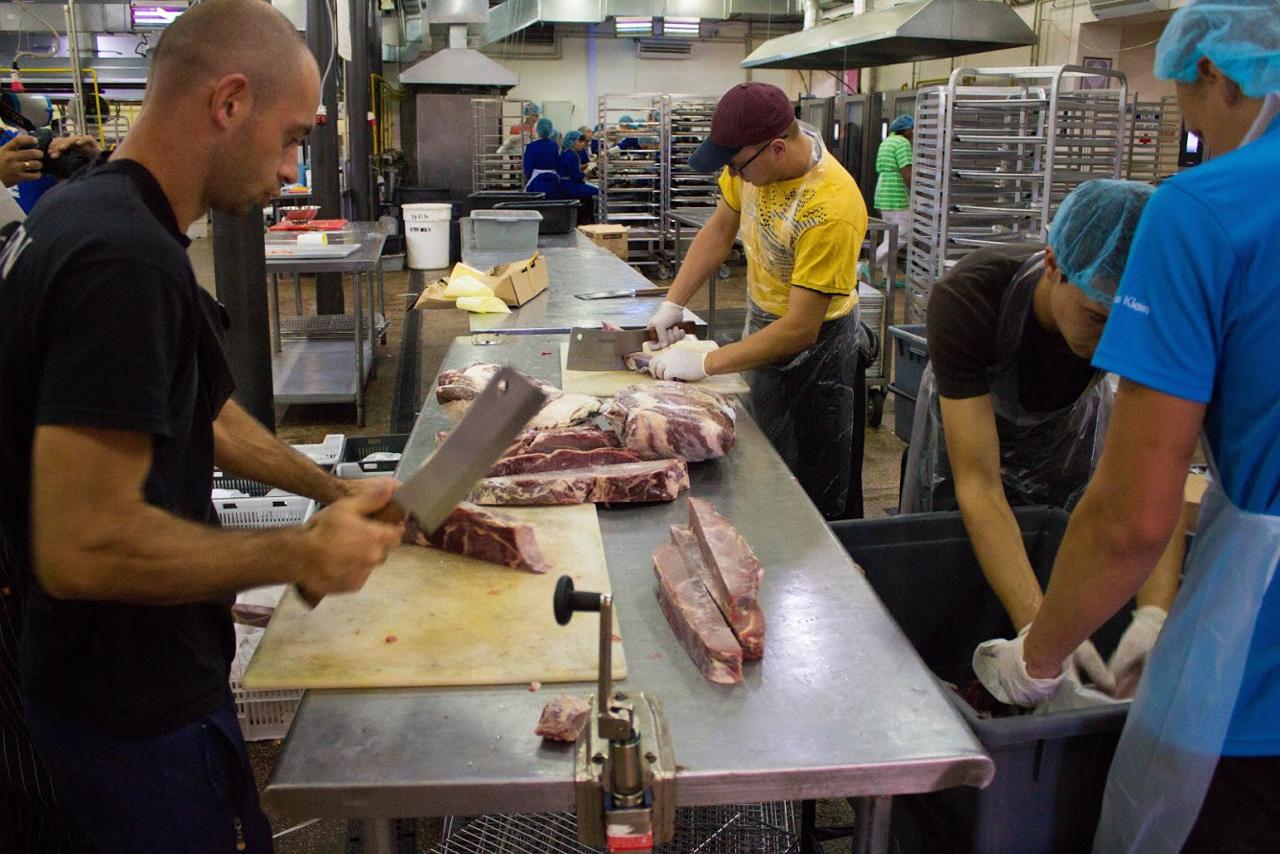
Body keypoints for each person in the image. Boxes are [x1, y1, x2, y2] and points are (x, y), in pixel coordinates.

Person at [0, 2, 406, 851]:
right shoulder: (122, 261)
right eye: (290, 139)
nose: (292, 171)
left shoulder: (96, 214)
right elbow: (82, 546)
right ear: (228, 102)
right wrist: (298, 553)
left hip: (138, 677)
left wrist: (331, 489)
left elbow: (205, 414)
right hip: (128, 707)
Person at [974, 2, 1280, 850]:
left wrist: (1038, 656)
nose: (1202, 141)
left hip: (1261, 660)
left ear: (1215, 72)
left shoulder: (1207, 211)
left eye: (1191, 113)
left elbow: (1132, 514)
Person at [902, 179, 1183, 695]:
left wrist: (1154, 616)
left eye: (1125, 325)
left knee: (1053, 545)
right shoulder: (969, 299)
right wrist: (1041, 637)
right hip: (968, 436)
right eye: (1098, 318)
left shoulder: (1145, 313)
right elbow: (979, 484)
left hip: (1068, 436)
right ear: (1053, 265)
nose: (1112, 343)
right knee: (956, 577)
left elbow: (1153, 476)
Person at [646, 82, 869, 520]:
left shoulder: (832, 208)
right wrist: (672, 303)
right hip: (764, 322)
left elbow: (801, 328)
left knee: (813, 481)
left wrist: (707, 363)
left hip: (821, 348)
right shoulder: (752, 166)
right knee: (760, 459)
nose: (732, 174)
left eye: (736, 164)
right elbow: (719, 230)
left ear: (777, 149)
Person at [873, 114, 912, 278]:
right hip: (896, 194)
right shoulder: (903, 143)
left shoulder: (888, 141)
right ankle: (870, 264)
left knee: (890, 235)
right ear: (906, 130)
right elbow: (906, 170)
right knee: (903, 234)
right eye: (913, 129)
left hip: (883, 192)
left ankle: (887, 276)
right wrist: (915, 192)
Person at [558, 130, 599, 224]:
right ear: (571, 142)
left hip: (564, 185)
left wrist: (586, 165)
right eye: (580, 142)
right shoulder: (573, 156)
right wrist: (588, 169)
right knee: (598, 191)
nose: (583, 144)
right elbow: (577, 177)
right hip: (571, 187)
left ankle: (586, 218)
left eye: (583, 141)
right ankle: (590, 221)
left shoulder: (566, 153)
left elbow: (570, 168)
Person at [522, 117, 561, 197]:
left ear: (537, 130)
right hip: (553, 180)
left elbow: (528, 167)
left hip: (536, 179)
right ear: (551, 130)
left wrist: (528, 177)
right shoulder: (554, 146)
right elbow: (558, 164)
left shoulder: (532, 146)